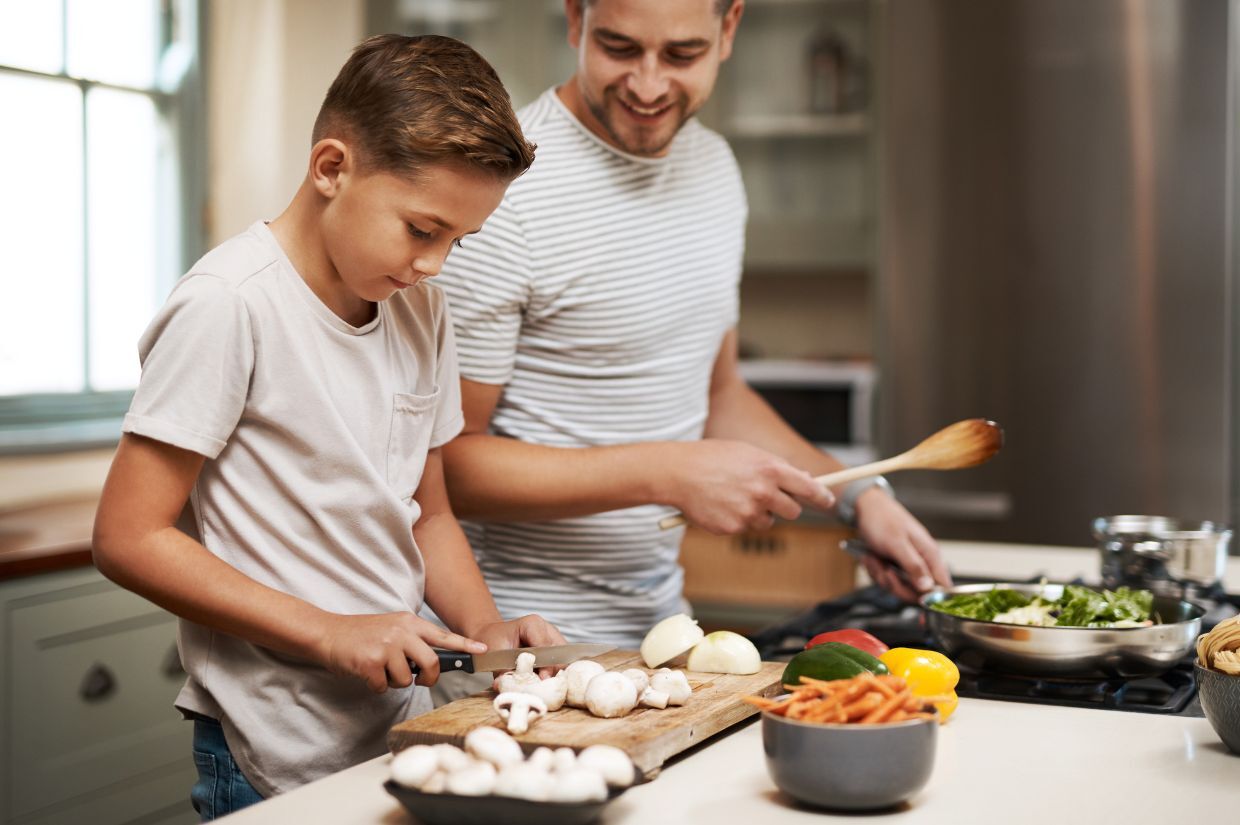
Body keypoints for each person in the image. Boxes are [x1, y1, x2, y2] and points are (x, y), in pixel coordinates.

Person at [91, 34, 564, 819]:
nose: (437, 263)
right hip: (263, 742)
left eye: (459, 239)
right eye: (422, 229)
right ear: (332, 168)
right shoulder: (229, 303)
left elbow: (432, 512)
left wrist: (485, 629)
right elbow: (127, 536)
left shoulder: (420, 305)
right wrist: (328, 632)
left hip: (400, 728)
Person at [431, 0, 952, 657]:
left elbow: (719, 396)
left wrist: (858, 496)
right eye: (619, 48)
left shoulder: (715, 170)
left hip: (662, 635)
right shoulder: (505, 194)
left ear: (729, 28)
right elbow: (446, 466)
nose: (649, 86)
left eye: (681, 54)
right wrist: (668, 472)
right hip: (512, 644)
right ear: (575, 20)